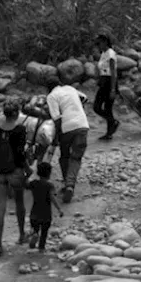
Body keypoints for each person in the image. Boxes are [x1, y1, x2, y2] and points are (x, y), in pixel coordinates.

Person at [0, 99, 30, 256]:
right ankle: (21, 235)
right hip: (15, 173)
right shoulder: (20, 130)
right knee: (19, 203)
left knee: (0, 207)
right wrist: (26, 169)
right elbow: (20, 154)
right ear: (17, 114)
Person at [47, 69, 90, 203]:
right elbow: (84, 98)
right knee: (76, 157)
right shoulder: (70, 88)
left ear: (48, 88)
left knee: (64, 156)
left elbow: (57, 119)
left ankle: (67, 184)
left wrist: (56, 137)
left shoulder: (52, 96)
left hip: (67, 128)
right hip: (83, 125)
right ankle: (70, 185)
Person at [27, 162, 64, 251]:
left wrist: (27, 175)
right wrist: (59, 209)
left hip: (34, 212)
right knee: (44, 232)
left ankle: (35, 234)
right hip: (46, 214)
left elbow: (25, 185)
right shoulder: (49, 185)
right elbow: (52, 198)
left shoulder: (34, 183)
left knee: (35, 227)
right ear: (49, 174)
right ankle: (41, 247)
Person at [94, 35, 121, 140]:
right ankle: (112, 123)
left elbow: (113, 72)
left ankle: (109, 132)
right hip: (104, 81)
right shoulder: (104, 54)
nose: (98, 46)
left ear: (105, 42)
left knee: (106, 108)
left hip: (110, 82)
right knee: (98, 107)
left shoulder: (110, 53)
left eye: (99, 43)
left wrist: (113, 89)